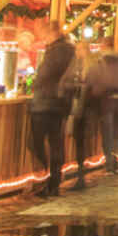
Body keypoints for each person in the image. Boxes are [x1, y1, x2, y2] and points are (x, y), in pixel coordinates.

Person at [29, 19, 74, 196]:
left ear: (51, 33)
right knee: (55, 142)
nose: (43, 38)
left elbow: (45, 75)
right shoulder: (69, 49)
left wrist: (34, 84)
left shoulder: (57, 51)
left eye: (44, 34)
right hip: (60, 103)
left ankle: (47, 178)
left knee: (36, 142)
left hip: (46, 102)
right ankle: (53, 180)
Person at [87, 45, 118, 173]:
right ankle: (115, 163)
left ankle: (109, 163)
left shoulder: (100, 65)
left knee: (108, 134)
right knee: (117, 134)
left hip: (106, 101)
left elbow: (90, 81)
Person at [67, 40, 95, 191]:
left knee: (80, 143)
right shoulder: (84, 66)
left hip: (83, 111)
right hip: (85, 110)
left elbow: (87, 91)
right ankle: (80, 175)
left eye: (78, 50)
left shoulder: (87, 68)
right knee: (80, 143)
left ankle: (81, 176)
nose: (77, 53)